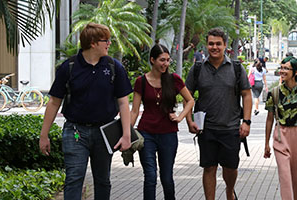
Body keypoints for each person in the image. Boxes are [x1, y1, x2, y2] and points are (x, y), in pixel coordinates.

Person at [39, 23, 133, 200]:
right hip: (75, 132)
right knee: (74, 178)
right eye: (106, 40)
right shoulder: (70, 67)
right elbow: (53, 102)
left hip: (105, 132)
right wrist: (44, 135)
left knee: (103, 180)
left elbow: (123, 103)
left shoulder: (114, 67)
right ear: (92, 42)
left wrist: (126, 134)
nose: (109, 44)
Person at [185, 28, 252, 200]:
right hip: (206, 129)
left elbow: (246, 94)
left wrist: (246, 121)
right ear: (206, 45)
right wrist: (189, 120)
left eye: (218, 44)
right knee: (209, 168)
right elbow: (187, 96)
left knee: (230, 167)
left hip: (230, 128)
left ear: (225, 45)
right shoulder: (198, 68)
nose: (214, 47)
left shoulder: (236, 68)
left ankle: (230, 192)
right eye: (211, 44)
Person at [130, 44, 195, 200]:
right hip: (146, 133)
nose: (166, 63)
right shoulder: (141, 82)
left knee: (166, 178)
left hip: (168, 134)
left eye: (167, 60)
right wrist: (126, 133)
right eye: (162, 60)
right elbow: (134, 111)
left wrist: (180, 117)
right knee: (150, 176)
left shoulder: (174, 80)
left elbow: (190, 100)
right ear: (152, 60)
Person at [264, 56, 297, 200]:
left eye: (286, 68)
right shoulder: (273, 93)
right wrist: (266, 144)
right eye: (281, 67)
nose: (282, 71)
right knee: (285, 175)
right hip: (281, 135)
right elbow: (269, 119)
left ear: (296, 72)